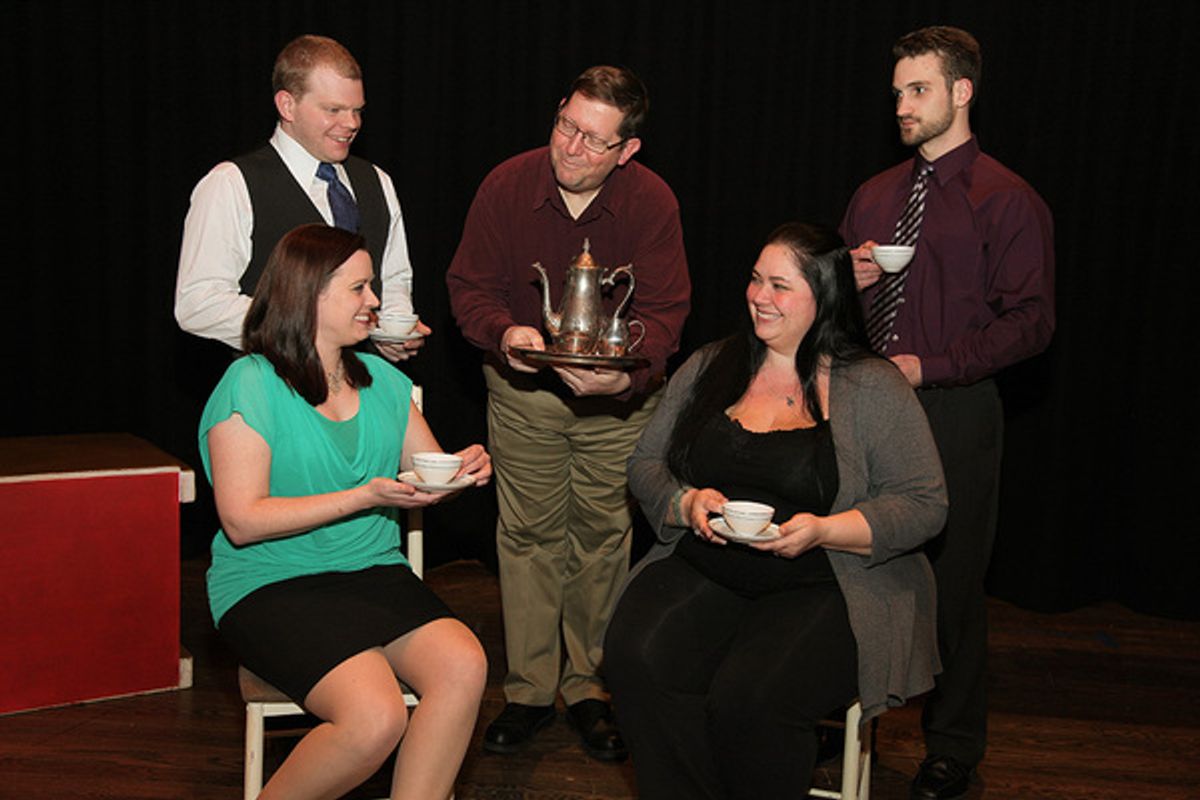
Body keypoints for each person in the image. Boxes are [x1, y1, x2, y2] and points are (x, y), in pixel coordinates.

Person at [603, 222, 948, 799]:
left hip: (829, 580)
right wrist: (684, 501)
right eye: (756, 280)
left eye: (780, 286)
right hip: (709, 566)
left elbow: (924, 504)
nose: (760, 296)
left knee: (751, 698)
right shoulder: (713, 365)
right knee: (636, 656)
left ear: (826, 296)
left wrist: (823, 531)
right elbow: (645, 464)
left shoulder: (872, 386)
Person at [445, 65, 691, 761]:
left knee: (603, 534)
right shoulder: (507, 184)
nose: (571, 148)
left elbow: (667, 313)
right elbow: (468, 287)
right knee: (527, 537)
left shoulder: (651, 201)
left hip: (618, 403)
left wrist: (623, 378)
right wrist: (504, 334)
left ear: (627, 150)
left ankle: (587, 686)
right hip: (523, 393)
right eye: (566, 126)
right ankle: (528, 690)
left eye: (593, 140)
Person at [199, 223, 489, 799]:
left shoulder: (385, 380)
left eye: (372, 287)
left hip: (370, 570)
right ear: (309, 294)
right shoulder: (250, 382)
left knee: (465, 664)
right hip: (270, 583)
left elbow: (423, 475)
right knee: (375, 717)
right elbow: (243, 519)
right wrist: (364, 496)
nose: (375, 301)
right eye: (359, 289)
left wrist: (460, 473)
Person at [840, 26, 1055, 800]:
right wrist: (850, 285)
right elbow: (831, 317)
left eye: (918, 89)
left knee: (953, 581)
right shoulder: (874, 196)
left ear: (962, 92)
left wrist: (932, 365)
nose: (902, 104)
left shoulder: (1007, 199)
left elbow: (1031, 321)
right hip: (869, 412)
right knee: (853, 565)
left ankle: (953, 747)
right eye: (897, 91)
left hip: (955, 410)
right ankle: (839, 720)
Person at [176, 34, 429, 361]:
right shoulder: (231, 184)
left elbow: (393, 280)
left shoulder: (377, 181)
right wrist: (306, 324)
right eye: (333, 109)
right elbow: (198, 304)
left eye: (357, 111)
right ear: (287, 105)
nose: (351, 123)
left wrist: (389, 329)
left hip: (359, 388)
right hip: (271, 389)